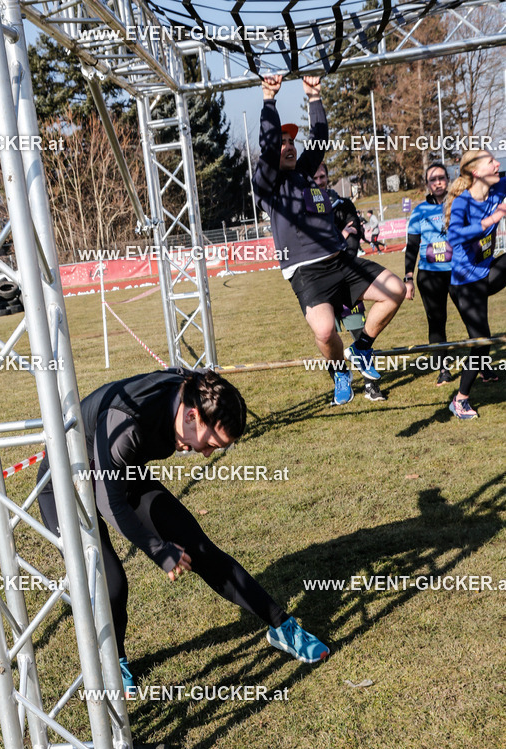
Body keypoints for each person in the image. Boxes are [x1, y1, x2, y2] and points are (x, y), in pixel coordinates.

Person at [37, 369, 329, 695]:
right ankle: (112, 659)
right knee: (109, 580)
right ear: (191, 415)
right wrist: (159, 550)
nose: (206, 454)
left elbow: (202, 380)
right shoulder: (129, 423)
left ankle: (281, 626)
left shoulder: (192, 389)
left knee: (199, 548)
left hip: (120, 473)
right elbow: (109, 502)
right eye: (210, 444)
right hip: (63, 486)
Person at [253, 74, 405, 406]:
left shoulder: (305, 173)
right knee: (324, 332)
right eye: (283, 142)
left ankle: (362, 346)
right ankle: (339, 371)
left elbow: (320, 139)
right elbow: (267, 147)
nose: (289, 146)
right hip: (307, 274)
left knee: (396, 290)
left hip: (341, 261)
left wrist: (314, 95)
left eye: (292, 141)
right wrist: (269, 99)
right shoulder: (266, 183)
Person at [313, 163, 385, 401]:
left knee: (359, 334)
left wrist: (339, 240)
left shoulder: (343, 205)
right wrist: (338, 236)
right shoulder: (305, 211)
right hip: (320, 285)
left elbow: (353, 244)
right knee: (327, 339)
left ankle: (371, 387)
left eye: (323, 176)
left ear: (327, 177)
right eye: (315, 177)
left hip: (347, 280)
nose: (320, 180)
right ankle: (341, 382)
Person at [445, 149, 506, 419]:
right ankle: (460, 400)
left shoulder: (498, 188)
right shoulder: (462, 203)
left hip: (487, 273)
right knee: (481, 343)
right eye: (491, 161)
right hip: (465, 284)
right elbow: (455, 235)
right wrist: (492, 218)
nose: (497, 163)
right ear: (476, 172)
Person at [404, 162, 459, 385]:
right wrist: (408, 277)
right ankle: (443, 370)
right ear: (427, 184)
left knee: (472, 319)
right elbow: (412, 247)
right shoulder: (419, 212)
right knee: (437, 322)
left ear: (448, 179)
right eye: (433, 179)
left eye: (441, 178)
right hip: (430, 275)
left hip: (458, 273)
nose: (438, 182)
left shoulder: (458, 204)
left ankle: (482, 366)